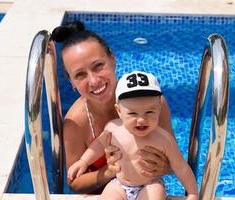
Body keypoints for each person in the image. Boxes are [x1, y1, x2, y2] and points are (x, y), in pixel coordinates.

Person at [51, 21, 174, 194]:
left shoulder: (151, 102)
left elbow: (173, 162)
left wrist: (164, 166)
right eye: (80, 75)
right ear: (72, 83)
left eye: (98, 66)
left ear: (113, 59)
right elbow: (74, 184)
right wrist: (109, 171)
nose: (94, 81)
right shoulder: (76, 123)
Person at [67, 71, 199, 200]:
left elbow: (181, 166)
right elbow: (99, 145)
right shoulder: (114, 129)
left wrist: (192, 193)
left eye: (149, 112)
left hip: (150, 184)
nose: (141, 120)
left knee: (155, 193)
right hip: (119, 185)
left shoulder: (163, 139)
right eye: (133, 114)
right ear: (119, 111)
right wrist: (83, 161)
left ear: (159, 108)